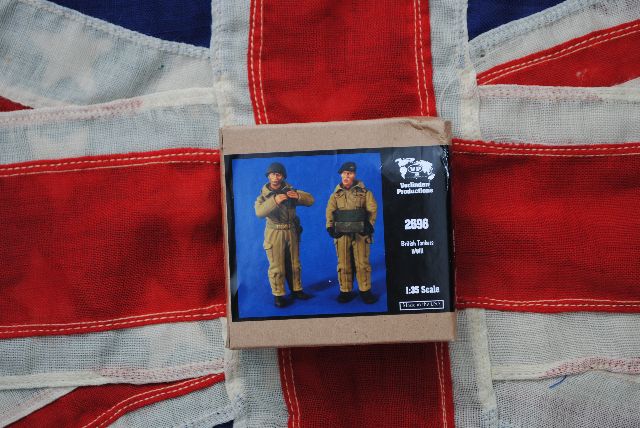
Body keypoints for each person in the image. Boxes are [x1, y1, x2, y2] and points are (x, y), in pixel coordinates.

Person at [255, 162, 314, 307]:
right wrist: (274, 200)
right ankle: (278, 294)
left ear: (283, 176)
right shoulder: (263, 197)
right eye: (273, 174)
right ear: (268, 176)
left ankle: (296, 289)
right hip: (274, 233)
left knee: (294, 263)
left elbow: (311, 200)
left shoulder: (290, 191)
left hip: (291, 231)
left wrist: (298, 196)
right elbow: (259, 212)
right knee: (277, 266)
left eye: (278, 174)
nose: (275, 177)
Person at [326, 161, 378, 304]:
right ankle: (345, 290)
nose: (346, 176)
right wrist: (330, 227)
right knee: (343, 263)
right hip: (342, 235)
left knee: (362, 263)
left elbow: (372, 209)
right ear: (341, 175)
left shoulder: (365, 193)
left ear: (354, 175)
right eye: (344, 173)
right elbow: (330, 212)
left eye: (349, 173)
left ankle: (365, 290)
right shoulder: (335, 195)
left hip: (361, 233)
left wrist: (369, 225)